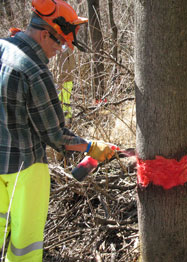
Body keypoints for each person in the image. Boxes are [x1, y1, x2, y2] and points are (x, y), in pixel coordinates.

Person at [0, 0, 115, 261]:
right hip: (25, 170)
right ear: (44, 33)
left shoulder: (1, 48)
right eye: (60, 43)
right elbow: (54, 135)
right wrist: (90, 146)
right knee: (24, 248)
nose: (60, 50)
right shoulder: (34, 70)